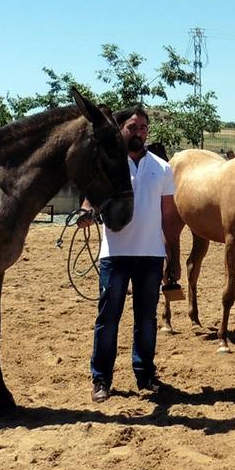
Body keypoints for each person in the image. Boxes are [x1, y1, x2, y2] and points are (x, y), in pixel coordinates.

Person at [78, 106, 182, 402]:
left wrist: (172, 256)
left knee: (146, 319)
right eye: (133, 127)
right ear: (120, 129)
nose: (139, 133)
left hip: (151, 256)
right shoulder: (110, 164)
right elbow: (91, 199)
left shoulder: (162, 168)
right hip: (115, 254)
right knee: (108, 318)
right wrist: (86, 212)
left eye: (143, 128)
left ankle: (145, 374)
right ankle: (101, 379)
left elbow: (169, 218)